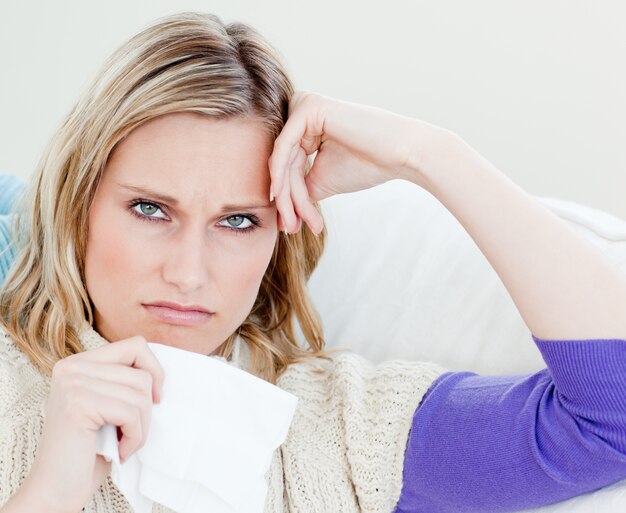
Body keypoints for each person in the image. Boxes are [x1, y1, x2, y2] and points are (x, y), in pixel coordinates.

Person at [1, 10, 626, 513]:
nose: (188, 274)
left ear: (281, 232)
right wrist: (49, 498)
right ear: (77, 202)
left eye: (239, 221)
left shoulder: (342, 434)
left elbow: (612, 417)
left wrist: (429, 154)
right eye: (150, 210)